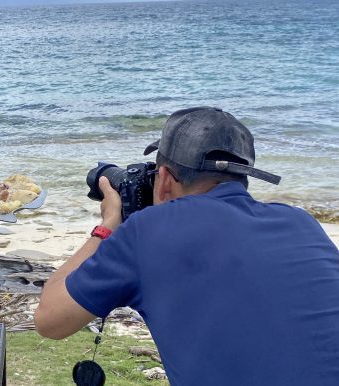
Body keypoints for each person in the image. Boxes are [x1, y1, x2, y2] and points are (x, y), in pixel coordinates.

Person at [35, 107, 339, 385]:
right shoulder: (300, 222)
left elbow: (49, 320)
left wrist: (108, 225)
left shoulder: (148, 229)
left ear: (164, 179)